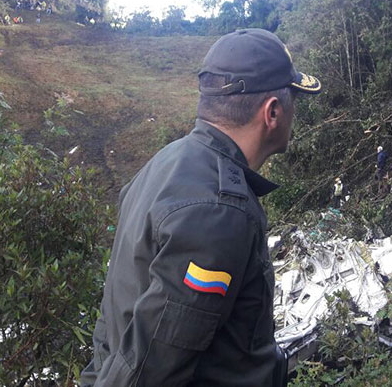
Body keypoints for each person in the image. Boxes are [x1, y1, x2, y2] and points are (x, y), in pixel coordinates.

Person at [80, 28, 321, 387]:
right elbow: (151, 368)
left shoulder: (163, 164)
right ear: (272, 112)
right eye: (293, 102)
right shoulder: (219, 212)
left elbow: (115, 321)